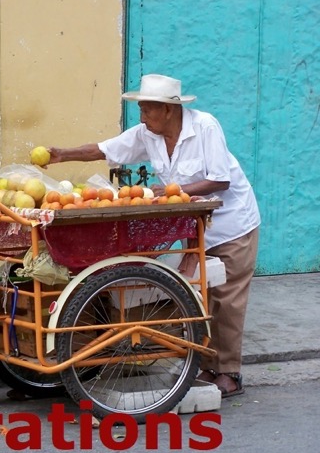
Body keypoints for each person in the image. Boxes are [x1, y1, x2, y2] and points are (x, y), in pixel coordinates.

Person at [45, 73, 260, 397]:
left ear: (169, 110)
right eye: (141, 110)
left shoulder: (205, 127)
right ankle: (204, 366)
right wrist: (63, 154)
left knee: (227, 299)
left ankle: (229, 373)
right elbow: (106, 149)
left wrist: (171, 191)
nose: (142, 117)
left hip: (232, 224)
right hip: (196, 228)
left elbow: (219, 180)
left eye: (148, 110)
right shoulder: (149, 134)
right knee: (198, 293)